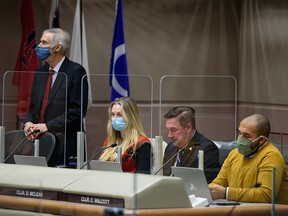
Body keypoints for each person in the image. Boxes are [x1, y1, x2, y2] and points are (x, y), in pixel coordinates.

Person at [23, 28, 88, 167]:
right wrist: (28, 123)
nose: (38, 46)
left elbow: (78, 111)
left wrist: (47, 126)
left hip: (64, 144)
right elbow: (33, 107)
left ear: (57, 48)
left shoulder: (75, 71)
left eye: (44, 42)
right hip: (39, 143)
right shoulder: (40, 72)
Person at [209, 113, 288, 204]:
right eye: (240, 133)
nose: (240, 139)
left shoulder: (271, 156)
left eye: (246, 136)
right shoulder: (234, 154)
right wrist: (206, 190)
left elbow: (266, 195)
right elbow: (218, 183)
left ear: (261, 140)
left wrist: (226, 193)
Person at [162, 106, 220, 183]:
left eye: (173, 130)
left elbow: (204, 187)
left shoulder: (207, 149)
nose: (170, 135)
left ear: (188, 128)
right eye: (168, 130)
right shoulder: (170, 147)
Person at [99, 97, 151, 174]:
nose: (115, 118)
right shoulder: (109, 141)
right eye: (113, 115)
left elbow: (142, 177)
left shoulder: (142, 144)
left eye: (119, 115)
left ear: (131, 117)